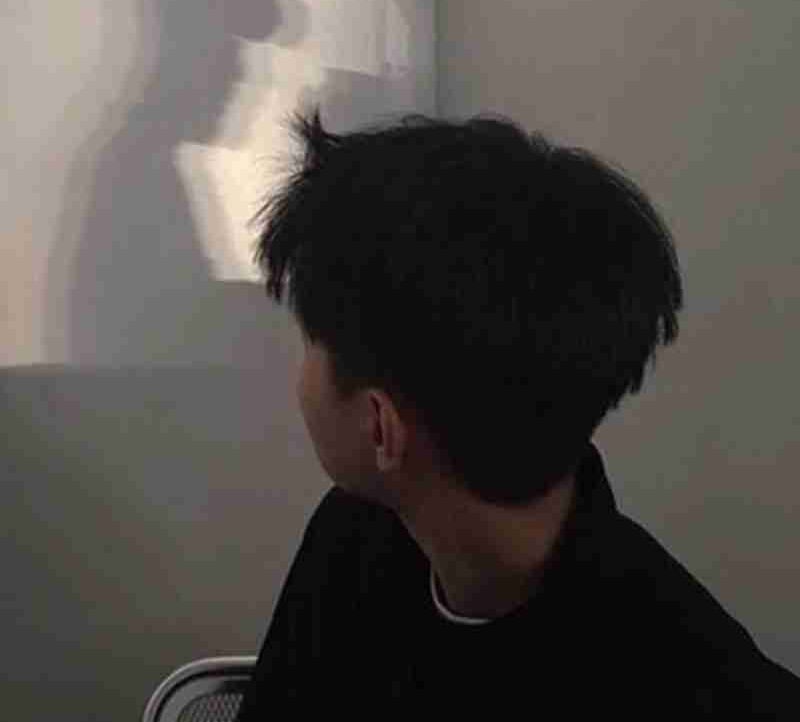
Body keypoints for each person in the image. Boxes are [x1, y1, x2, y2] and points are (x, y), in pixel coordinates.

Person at [236, 104, 799, 714]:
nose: (301, 375)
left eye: (310, 344)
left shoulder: (703, 685)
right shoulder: (353, 540)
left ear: (380, 426)